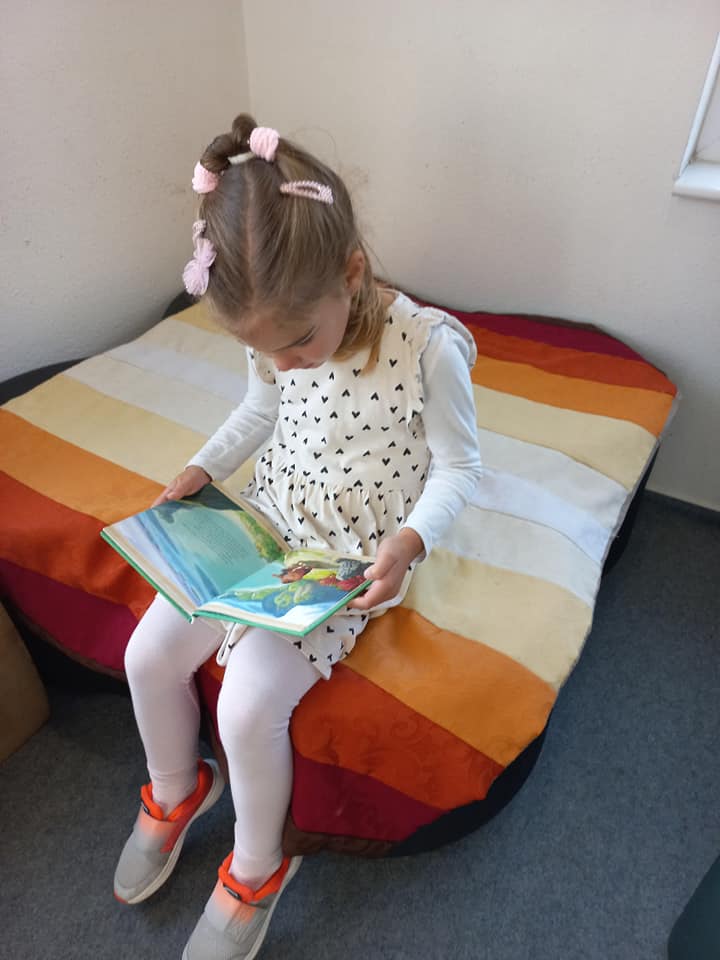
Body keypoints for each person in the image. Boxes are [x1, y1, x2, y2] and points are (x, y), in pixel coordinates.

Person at [114, 113, 483, 960]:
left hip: (348, 555)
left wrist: (411, 543)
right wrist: (204, 467)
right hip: (268, 517)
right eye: (264, 349)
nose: (283, 363)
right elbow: (261, 408)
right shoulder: (276, 332)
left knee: (247, 703)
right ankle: (176, 789)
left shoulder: (426, 349)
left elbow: (462, 467)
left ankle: (257, 865)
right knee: (146, 656)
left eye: (296, 343)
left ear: (352, 273)